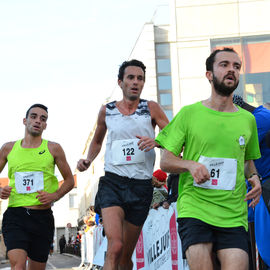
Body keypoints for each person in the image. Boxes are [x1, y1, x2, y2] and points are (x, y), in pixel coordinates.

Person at [155, 47, 262, 270]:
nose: (231, 70)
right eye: (224, 65)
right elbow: (165, 161)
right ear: (209, 75)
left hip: (233, 213)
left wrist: (254, 177)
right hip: (196, 209)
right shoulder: (189, 113)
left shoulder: (247, 120)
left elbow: (246, 161)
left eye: (236, 66)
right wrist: (190, 165)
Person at [77, 59, 169, 270]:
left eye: (140, 78)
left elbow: (172, 135)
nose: (136, 82)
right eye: (131, 78)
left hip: (141, 186)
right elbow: (98, 141)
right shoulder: (107, 110)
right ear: (120, 82)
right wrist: (87, 160)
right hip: (113, 183)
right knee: (115, 246)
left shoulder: (151, 108)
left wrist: (156, 141)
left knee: (126, 255)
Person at [0, 104, 74, 270]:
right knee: (17, 265)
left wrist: (54, 195)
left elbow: (70, 180)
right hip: (16, 216)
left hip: (42, 217)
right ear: (25, 120)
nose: (38, 121)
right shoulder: (8, 148)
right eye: (33, 117)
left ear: (45, 125)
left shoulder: (53, 148)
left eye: (43, 119)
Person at [233, 94, 270, 269]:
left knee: (265, 247)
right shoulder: (256, 117)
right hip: (256, 188)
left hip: (265, 187)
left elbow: (236, 150)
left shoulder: (260, 119)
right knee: (256, 244)